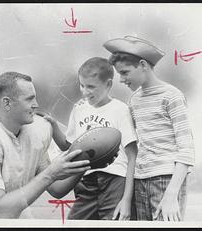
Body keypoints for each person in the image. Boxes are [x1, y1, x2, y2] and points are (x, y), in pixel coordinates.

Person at [0, 72, 91, 218]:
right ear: (7, 102)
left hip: (8, 215)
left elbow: (56, 188)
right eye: (29, 99)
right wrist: (51, 172)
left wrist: (89, 160)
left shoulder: (36, 131)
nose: (36, 105)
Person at [103, 36, 195, 221]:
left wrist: (171, 195)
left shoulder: (172, 96)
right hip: (139, 180)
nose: (121, 79)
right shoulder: (134, 100)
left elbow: (187, 149)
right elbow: (134, 146)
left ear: (143, 65)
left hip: (166, 180)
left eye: (125, 72)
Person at [43, 57, 138, 220]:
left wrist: (126, 200)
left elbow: (132, 156)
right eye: (82, 85)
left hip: (114, 181)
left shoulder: (120, 110)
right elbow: (69, 147)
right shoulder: (79, 109)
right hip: (85, 181)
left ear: (108, 85)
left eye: (91, 87)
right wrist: (53, 125)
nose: (85, 91)